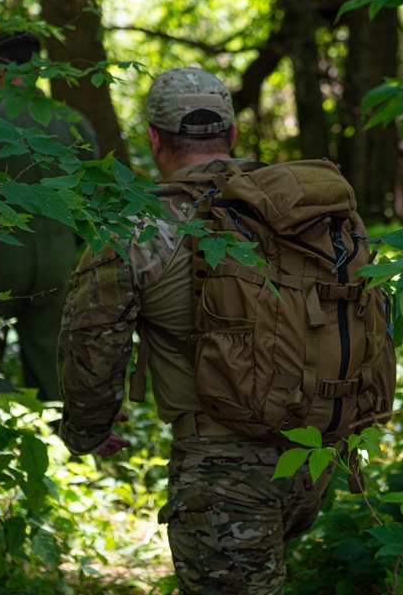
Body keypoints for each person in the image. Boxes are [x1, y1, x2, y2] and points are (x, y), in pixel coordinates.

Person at [58, 67, 348, 594]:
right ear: (232, 135)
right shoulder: (300, 207)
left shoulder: (138, 226)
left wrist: (87, 431)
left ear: (153, 139)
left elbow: (92, 343)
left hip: (220, 471)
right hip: (314, 452)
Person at [0, 32, 99, 401]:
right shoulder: (73, 122)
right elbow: (92, 198)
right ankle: (61, 434)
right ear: (39, 70)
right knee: (50, 350)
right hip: (59, 254)